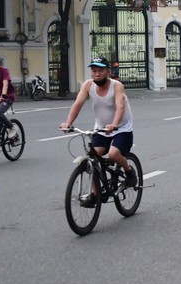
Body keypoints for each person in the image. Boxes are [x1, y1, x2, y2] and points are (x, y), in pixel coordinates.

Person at [59, 56, 137, 187]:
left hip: (122, 128)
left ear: (108, 72)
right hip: (101, 129)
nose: (97, 74)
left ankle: (129, 171)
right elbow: (78, 104)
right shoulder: (88, 85)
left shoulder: (117, 86)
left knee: (113, 154)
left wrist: (114, 124)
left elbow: (120, 106)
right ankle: (94, 194)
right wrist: (69, 122)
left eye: (100, 70)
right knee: (93, 158)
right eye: (94, 71)